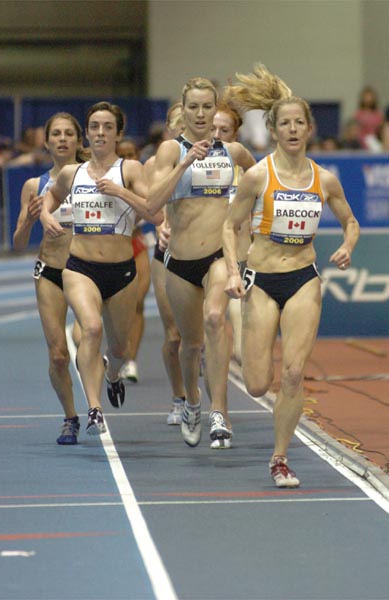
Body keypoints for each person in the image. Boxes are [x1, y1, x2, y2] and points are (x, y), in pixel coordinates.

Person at [222, 63, 360, 486]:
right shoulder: (259, 176)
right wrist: (232, 271)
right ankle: (231, 329)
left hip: (303, 279)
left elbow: (350, 222)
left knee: (294, 373)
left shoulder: (326, 179)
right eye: (285, 123)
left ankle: (280, 458)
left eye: (300, 122)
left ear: (310, 129)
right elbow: (229, 225)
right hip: (261, 281)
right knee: (258, 382)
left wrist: (347, 246)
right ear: (275, 130)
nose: (293, 129)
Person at [40, 101, 162, 436]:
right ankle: (94, 409)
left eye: (107, 127)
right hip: (79, 267)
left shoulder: (131, 169)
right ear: (87, 133)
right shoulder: (72, 173)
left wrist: (120, 191)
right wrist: (46, 216)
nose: (100, 133)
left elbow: (155, 213)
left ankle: (112, 374)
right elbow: (49, 200)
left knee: (120, 348)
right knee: (91, 329)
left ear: (118, 133)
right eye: (94, 126)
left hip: (121, 271)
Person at [147, 78, 256, 449]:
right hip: (179, 261)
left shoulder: (235, 152)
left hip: (218, 258)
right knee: (190, 345)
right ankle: (193, 401)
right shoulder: (169, 151)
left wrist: (248, 228)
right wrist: (185, 163)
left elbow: (258, 183)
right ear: (183, 109)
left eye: (207, 107)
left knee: (215, 319)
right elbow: (151, 203)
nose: (200, 114)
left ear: (215, 110)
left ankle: (220, 411)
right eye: (193, 107)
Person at [13, 112, 85, 445]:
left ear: (78, 141)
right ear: (46, 141)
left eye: (69, 133)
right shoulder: (34, 186)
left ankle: (109, 371)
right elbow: (18, 243)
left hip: (88, 271)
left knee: (87, 339)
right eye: (55, 133)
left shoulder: (91, 177)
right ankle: (70, 417)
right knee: (58, 354)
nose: (62, 139)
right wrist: (28, 221)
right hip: (50, 271)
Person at [146, 102, 187, 425]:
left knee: (205, 334)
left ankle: (215, 406)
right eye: (176, 127)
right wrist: (160, 225)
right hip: (166, 253)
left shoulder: (213, 159)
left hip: (203, 252)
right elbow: (149, 207)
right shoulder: (153, 164)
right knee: (174, 335)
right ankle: (179, 398)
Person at [212, 102, 254, 365]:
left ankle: (237, 350)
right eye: (212, 128)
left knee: (240, 350)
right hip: (203, 253)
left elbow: (264, 191)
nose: (216, 135)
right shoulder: (190, 161)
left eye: (224, 130)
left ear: (234, 136)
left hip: (237, 252)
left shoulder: (243, 164)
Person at [116, 137, 151, 383]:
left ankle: (131, 360)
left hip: (137, 244)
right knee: (116, 308)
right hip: (114, 247)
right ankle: (117, 352)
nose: (129, 158)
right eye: (123, 154)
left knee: (138, 303)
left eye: (132, 153)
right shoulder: (109, 180)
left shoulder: (142, 180)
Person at [353, 86, 384, 150]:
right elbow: (355, 129)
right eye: (366, 96)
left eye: (370, 96)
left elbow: (381, 129)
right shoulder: (358, 114)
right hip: (361, 142)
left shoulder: (378, 114)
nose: (368, 99)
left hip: (376, 142)